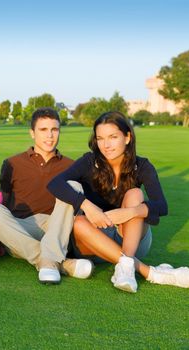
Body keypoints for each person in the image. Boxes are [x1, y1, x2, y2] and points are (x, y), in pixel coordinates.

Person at [48, 111, 189, 292]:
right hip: (94, 242)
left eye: (113, 137)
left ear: (127, 137)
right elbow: (55, 183)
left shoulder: (142, 166)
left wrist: (130, 212)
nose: (106, 145)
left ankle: (126, 265)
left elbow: (162, 206)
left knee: (135, 194)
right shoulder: (89, 162)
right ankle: (149, 273)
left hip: (131, 237)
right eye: (100, 138)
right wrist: (87, 206)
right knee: (78, 223)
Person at [0, 108, 94, 284]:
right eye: (43, 130)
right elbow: (5, 199)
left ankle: (49, 260)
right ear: (32, 133)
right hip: (22, 229)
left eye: (54, 130)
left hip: (57, 227)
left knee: (74, 186)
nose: (50, 135)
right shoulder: (12, 163)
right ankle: (57, 262)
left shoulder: (71, 166)